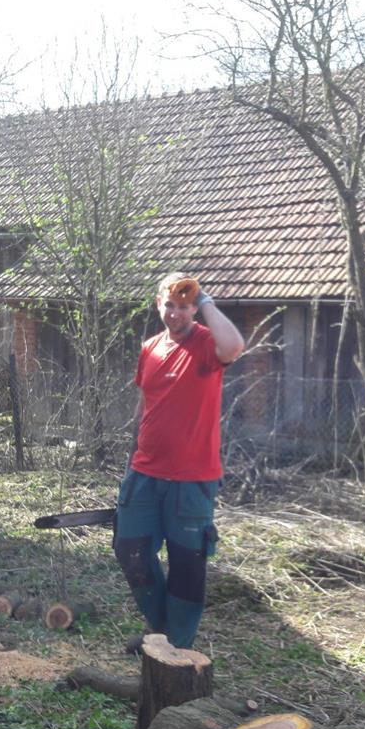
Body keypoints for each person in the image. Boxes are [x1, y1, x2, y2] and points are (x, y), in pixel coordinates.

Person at [114, 272, 245, 651]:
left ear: (195, 309)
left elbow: (234, 346)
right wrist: (131, 459)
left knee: (187, 562)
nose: (175, 313)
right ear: (158, 304)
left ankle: (178, 646)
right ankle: (161, 629)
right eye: (169, 305)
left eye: (184, 306)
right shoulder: (150, 348)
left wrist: (205, 300)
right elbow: (144, 406)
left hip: (193, 478)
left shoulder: (205, 343)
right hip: (145, 471)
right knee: (130, 548)